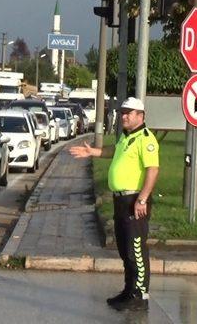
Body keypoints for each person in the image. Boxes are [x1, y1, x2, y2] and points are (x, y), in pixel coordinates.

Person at [70, 97, 159, 312]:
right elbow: (114, 152)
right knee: (124, 248)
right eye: (123, 113)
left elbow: (153, 170)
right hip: (121, 200)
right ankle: (129, 290)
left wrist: (142, 199)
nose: (124, 116)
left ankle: (139, 294)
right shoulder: (127, 137)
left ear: (141, 116)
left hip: (134, 200)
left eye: (129, 113)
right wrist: (94, 152)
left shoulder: (146, 139)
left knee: (135, 248)